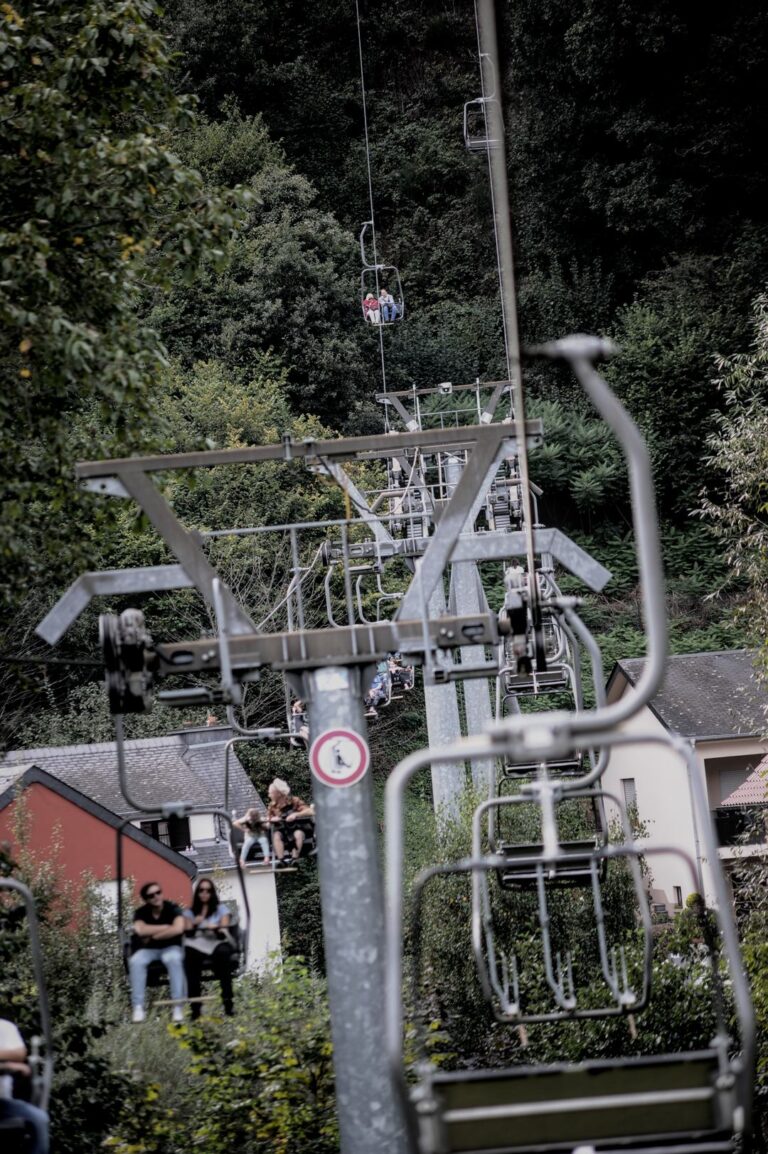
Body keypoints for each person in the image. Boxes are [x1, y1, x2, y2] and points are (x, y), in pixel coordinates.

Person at [129, 882, 187, 1023]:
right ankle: (138, 1006)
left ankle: (178, 1006)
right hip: (149, 950)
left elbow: (178, 928)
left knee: (172, 959)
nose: (156, 897)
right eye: (151, 895)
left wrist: (154, 936)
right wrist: (167, 927)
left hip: (171, 947)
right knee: (136, 961)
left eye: (158, 892)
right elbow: (141, 930)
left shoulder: (172, 908)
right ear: (146, 899)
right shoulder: (141, 912)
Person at [183, 879, 235, 1019]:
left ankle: (228, 1002)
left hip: (215, 941)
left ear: (212, 893)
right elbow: (188, 931)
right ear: (197, 893)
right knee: (189, 957)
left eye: (208, 890)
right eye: (201, 890)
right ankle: (195, 1008)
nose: (205, 893)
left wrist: (214, 927)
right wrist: (195, 923)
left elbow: (224, 928)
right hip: (197, 943)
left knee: (224, 954)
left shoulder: (221, 909)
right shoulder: (190, 912)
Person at [0, 1018, 48, 1154]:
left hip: (3, 1104)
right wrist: (6, 1065)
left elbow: (19, 1053)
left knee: (38, 1118)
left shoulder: (4, 1027)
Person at [267, 779, 315, 867]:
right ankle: (281, 860)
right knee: (276, 836)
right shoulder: (272, 806)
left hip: (295, 828)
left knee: (298, 834)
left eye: (271, 793)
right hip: (282, 831)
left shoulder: (294, 801)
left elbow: (310, 811)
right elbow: (268, 820)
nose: (269, 795)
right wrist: (272, 819)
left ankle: (294, 859)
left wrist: (296, 814)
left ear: (278, 793)